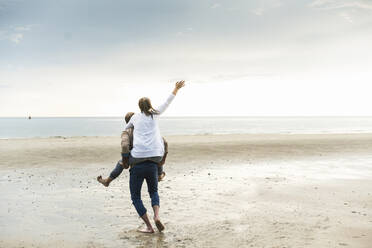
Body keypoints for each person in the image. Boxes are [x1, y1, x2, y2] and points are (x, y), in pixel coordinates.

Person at [126, 81, 185, 233]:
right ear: (150, 105)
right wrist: (176, 88)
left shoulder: (134, 118)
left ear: (139, 107)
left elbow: (126, 132)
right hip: (154, 160)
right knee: (153, 192)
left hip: (138, 160)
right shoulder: (155, 114)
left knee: (136, 197)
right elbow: (167, 102)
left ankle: (149, 227)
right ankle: (157, 216)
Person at [97, 112, 168, 187]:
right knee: (157, 154)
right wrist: (163, 159)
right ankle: (159, 175)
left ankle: (108, 181)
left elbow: (125, 146)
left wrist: (125, 160)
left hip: (137, 157)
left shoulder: (127, 131)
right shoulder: (147, 129)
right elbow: (164, 143)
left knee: (121, 162)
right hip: (152, 156)